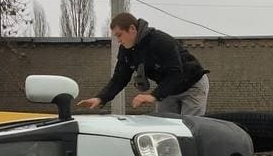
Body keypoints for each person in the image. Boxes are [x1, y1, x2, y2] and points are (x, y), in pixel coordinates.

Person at [77, 13, 210, 116]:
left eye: (119, 35)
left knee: (189, 128)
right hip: (168, 90)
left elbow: (176, 73)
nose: (118, 40)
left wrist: (153, 96)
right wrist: (100, 98)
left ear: (132, 29)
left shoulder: (160, 41)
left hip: (193, 84)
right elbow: (119, 78)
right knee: (166, 128)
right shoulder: (126, 51)